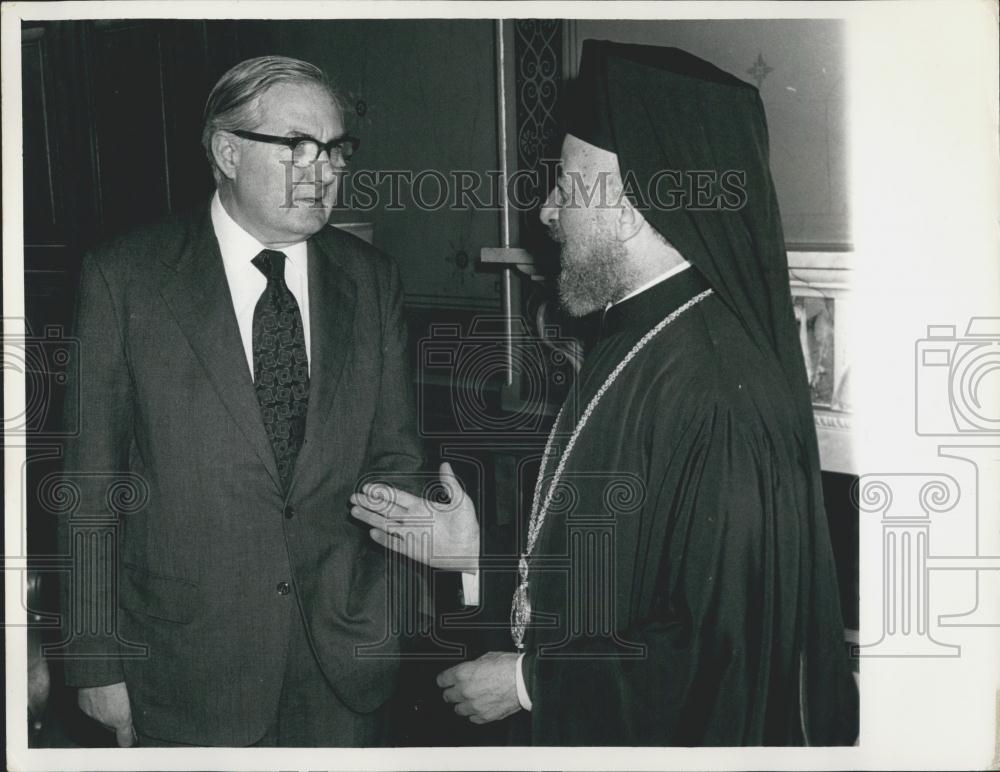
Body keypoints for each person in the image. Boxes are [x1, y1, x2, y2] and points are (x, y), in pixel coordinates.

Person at [351, 40, 859, 745]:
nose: (549, 212)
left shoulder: (718, 390)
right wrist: (478, 556)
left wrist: (531, 682)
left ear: (627, 207)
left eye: (564, 184)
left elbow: (718, 651)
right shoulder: (638, 337)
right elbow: (622, 569)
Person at [56, 56, 423, 747]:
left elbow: (396, 457)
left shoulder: (372, 281)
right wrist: (94, 660)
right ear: (226, 151)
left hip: (342, 668)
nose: (324, 170)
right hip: (184, 667)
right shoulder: (125, 277)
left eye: (335, 148)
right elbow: (90, 487)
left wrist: (390, 613)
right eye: (296, 147)